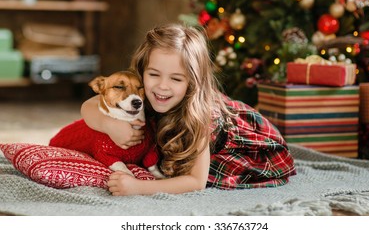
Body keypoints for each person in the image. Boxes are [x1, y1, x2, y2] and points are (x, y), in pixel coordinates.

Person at [81, 23, 296, 196]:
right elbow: (89, 105)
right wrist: (109, 125)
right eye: (154, 74)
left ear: (192, 83)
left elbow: (196, 181)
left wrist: (138, 188)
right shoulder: (139, 88)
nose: (162, 86)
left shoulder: (202, 117)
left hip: (249, 149)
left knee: (180, 168)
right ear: (142, 70)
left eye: (176, 78)